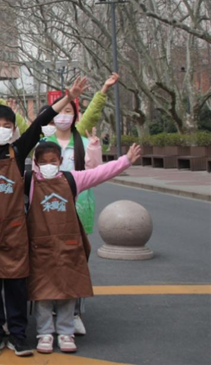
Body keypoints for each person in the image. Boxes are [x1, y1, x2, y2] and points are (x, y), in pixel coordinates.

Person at [0, 70, 88, 357]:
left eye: (6, 126)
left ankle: (19, 335)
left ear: (12, 130)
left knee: (17, 287)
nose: (1, 129)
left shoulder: (19, 151)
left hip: (16, 231)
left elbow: (41, 120)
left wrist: (67, 98)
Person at [27, 142, 142, 354]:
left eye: (53, 161)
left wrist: (125, 161)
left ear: (61, 161)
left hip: (68, 246)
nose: (48, 165)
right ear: (36, 163)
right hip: (40, 247)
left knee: (68, 290)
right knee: (42, 292)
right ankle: (44, 333)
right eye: (43, 162)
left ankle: (66, 332)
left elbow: (99, 173)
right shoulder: (29, 182)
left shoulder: (72, 179)